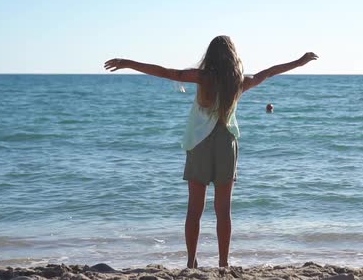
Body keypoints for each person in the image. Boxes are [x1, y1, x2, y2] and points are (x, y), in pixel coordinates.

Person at [104, 35, 317, 269]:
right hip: (226, 144)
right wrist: (299, 62)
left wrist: (127, 63)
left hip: (200, 143)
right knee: (223, 211)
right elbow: (268, 72)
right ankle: (223, 263)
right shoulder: (239, 82)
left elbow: (166, 72)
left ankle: (191, 262)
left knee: (194, 209)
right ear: (233, 57)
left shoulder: (202, 77)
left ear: (210, 55)